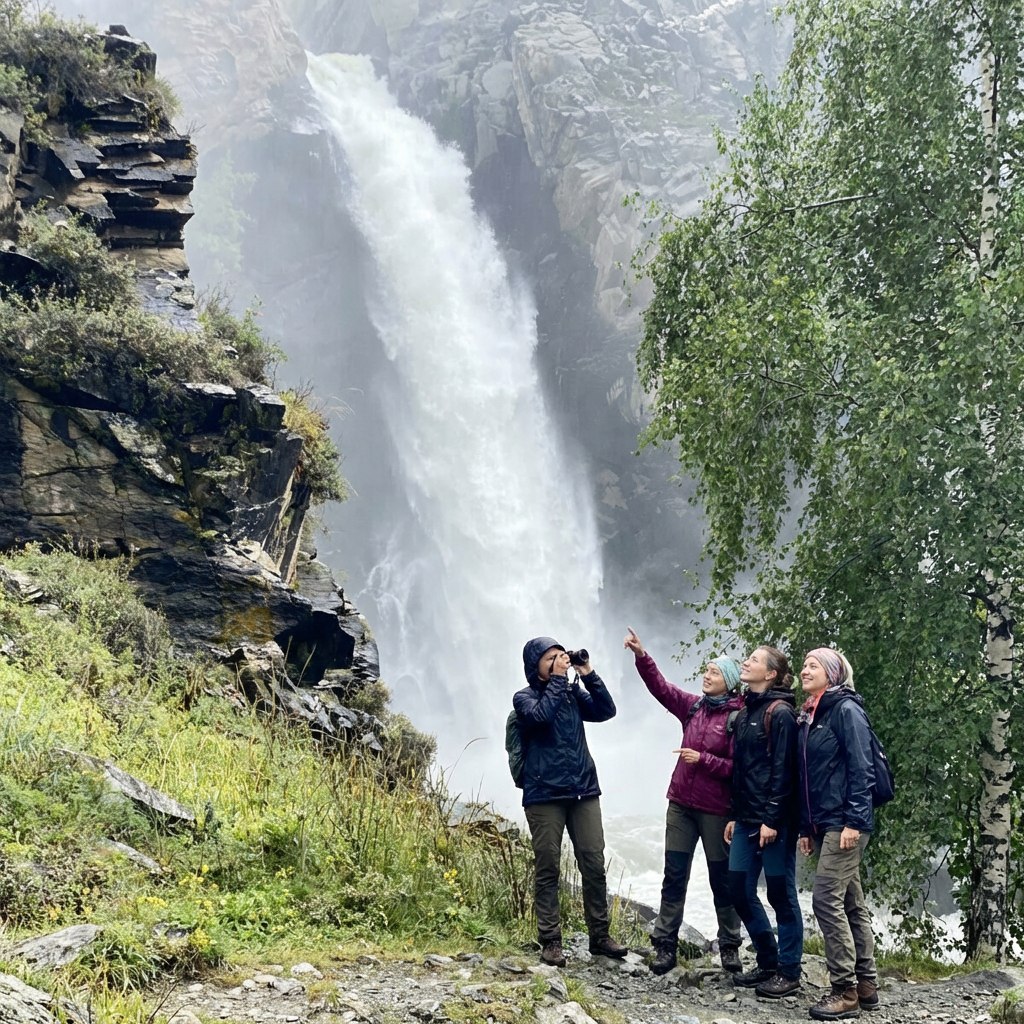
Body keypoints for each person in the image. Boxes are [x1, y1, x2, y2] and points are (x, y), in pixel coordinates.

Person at [623, 626, 744, 976]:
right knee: (674, 874)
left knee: (722, 879)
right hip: (680, 805)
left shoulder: (738, 718)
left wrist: (702, 760)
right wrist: (641, 656)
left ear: (729, 682)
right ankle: (665, 945)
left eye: (714, 672)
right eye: (706, 670)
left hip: (716, 810)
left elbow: (739, 769)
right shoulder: (693, 708)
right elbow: (661, 688)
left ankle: (730, 945)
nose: (706, 676)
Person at [513, 636, 628, 967]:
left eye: (560, 655)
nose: (559, 661)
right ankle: (551, 941)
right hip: (544, 793)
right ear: (535, 666)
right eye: (550, 658)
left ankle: (600, 936)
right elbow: (541, 717)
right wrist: (560, 680)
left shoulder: (571, 693)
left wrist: (587, 673)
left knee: (593, 863)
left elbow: (606, 710)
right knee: (548, 866)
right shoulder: (524, 698)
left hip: (583, 790)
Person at [797, 648, 879, 1020]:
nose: (804, 670)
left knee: (825, 900)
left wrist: (855, 822)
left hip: (845, 821)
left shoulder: (846, 710)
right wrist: (806, 827)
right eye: (804, 665)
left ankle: (845, 990)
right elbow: (809, 778)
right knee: (850, 901)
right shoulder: (811, 714)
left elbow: (863, 768)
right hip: (826, 822)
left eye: (813, 666)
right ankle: (866, 984)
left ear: (831, 674)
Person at [725, 646, 803, 996]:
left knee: (780, 894)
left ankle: (789, 971)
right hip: (745, 819)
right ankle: (768, 961)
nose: (746, 662)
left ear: (771, 674)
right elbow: (741, 770)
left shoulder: (781, 713)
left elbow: (785, 771)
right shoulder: (745, 713)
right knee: (739, 889)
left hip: (774, 823)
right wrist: (733, 814)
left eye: (754, 660)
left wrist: (772, 819)